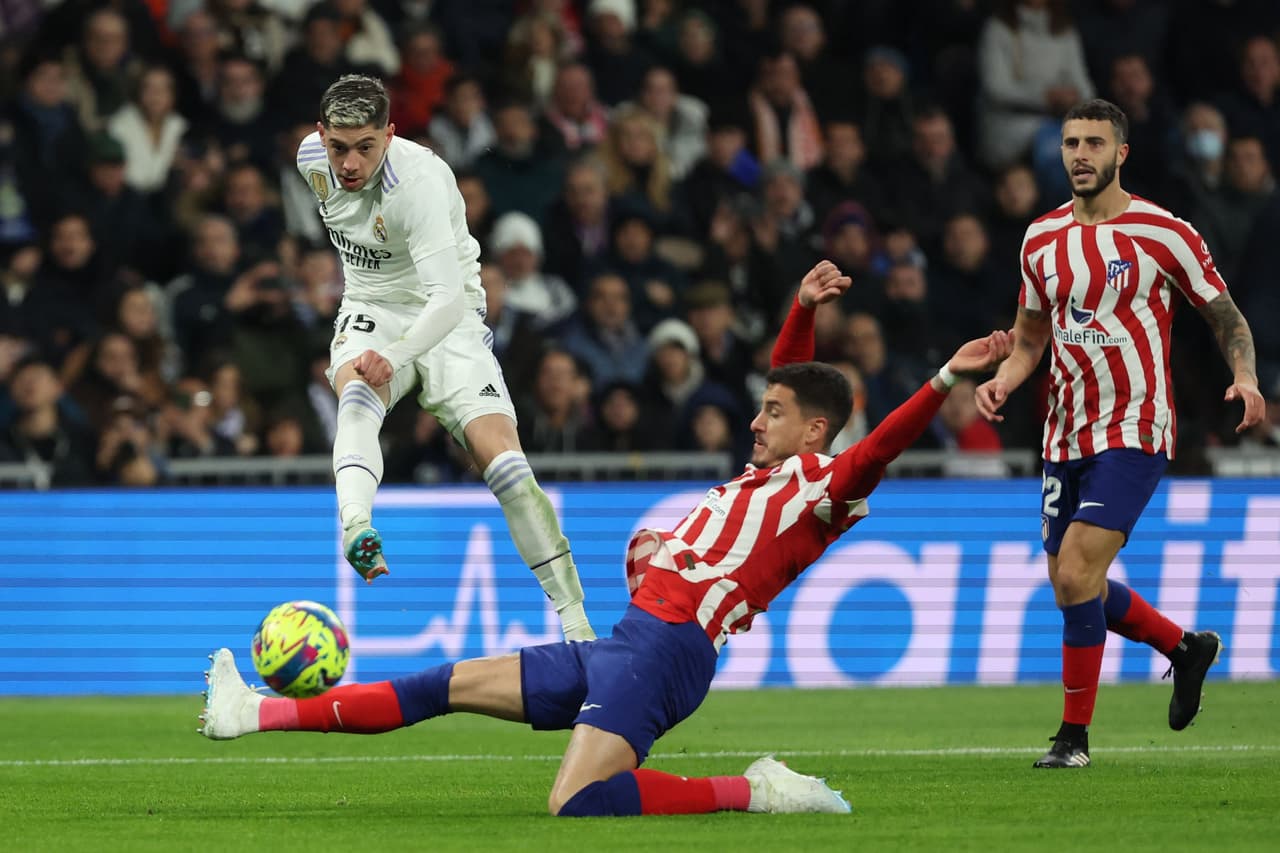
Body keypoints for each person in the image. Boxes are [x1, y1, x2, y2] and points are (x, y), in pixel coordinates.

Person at [199, 260, 1014, 817]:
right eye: (761, 406)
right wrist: (802, 306)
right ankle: (251, 714)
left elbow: (875, 448)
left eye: (773, 414)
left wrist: (944, 378)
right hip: (629, 638)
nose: (756, 419)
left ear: (817, 430)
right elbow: (791, 379)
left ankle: (756, 790)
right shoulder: (771, 468)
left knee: (576, 801)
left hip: (668, 648)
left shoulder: (825, 489)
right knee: (437, 687)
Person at [974, 99, 1268, 769]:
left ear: (1121, 153)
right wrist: (1007, 379)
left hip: (1135, 426)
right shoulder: (1039, 238)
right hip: (1063, 432)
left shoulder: (1164, 232)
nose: (1080, 153)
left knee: (1077, 570)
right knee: (1070, 583)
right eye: (1072, 142)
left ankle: (1073, 739)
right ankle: (1184, 647)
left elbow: (1224, 316)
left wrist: (1246, 377)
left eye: (1094, 143)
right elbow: (1030, 337)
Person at [295, 75, 593, 642]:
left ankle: (576, 624)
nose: (350, 163)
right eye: (339, 147)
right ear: (320, 137)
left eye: (365, 146)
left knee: (504, 464)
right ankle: (356, 523)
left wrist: (397, 355)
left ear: (390, 133)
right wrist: (376, 351)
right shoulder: (311, 161)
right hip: (371, 306)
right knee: (356, 395)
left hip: (448, 318)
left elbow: (447, 298)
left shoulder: (422, 183)